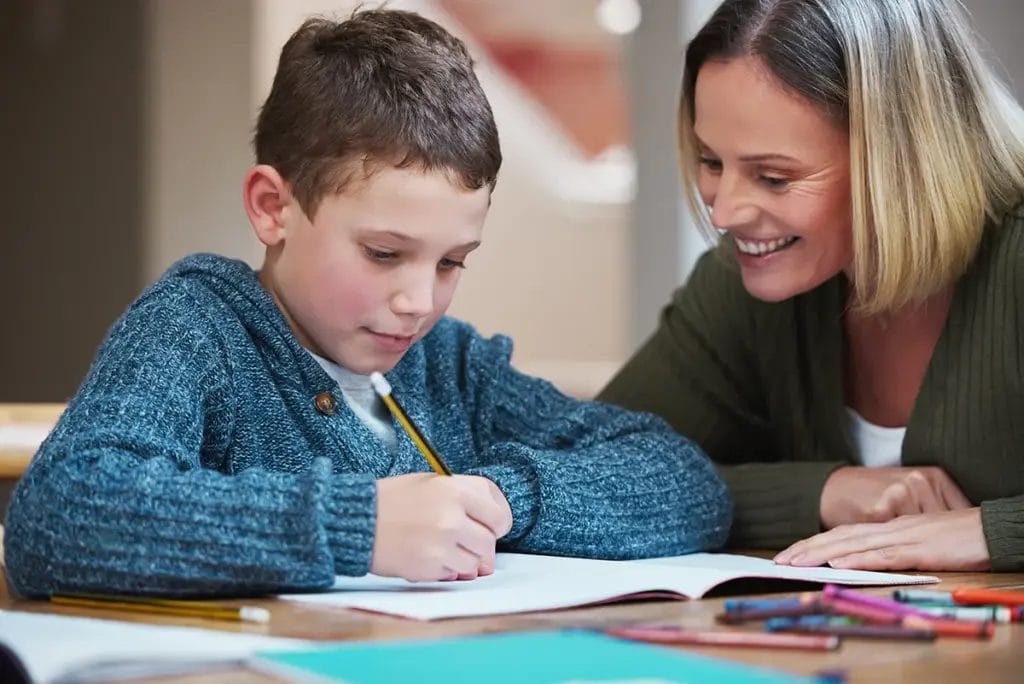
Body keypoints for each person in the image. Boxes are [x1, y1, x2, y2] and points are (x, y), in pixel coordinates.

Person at [3, 9, 731, 597]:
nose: (419, 302)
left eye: (452, 262)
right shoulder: (196, 330)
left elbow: (688, 484)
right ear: (271, 207)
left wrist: (499, 498)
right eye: (384, 254)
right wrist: (357, 525)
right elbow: (59, 513)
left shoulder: (450, 367)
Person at [599, 0, 1024, 572]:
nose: (724, 214)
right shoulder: (744, 281)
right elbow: (596, 467)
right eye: (711, 162)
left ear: (902, 156)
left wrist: (992, 533)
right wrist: (822, 492)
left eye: (774, 177)